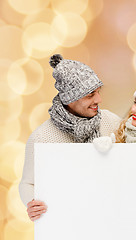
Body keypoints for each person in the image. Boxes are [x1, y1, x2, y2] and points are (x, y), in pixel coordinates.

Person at [19, 54, 121, 221]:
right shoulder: (41, 137)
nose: (99, 99)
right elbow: (27, 183)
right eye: (90, 95)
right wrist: (31, 203)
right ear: (69, 99)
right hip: (68, 223)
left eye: (98, 92)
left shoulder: (111, 121)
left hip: (109, 219)